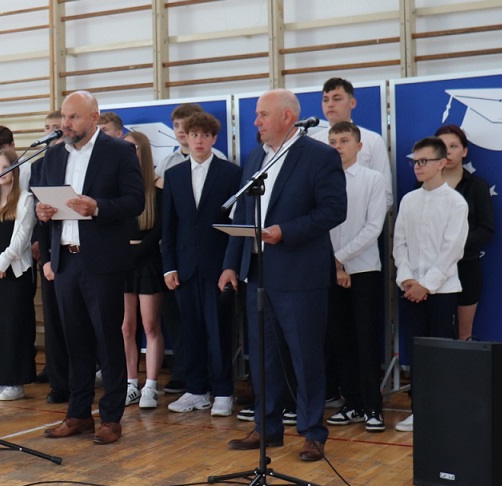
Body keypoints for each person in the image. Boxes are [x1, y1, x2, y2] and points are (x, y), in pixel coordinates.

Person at [218, 89, 347, 462]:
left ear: (288, 117)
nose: (255, 122)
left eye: (262, 114)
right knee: (263, 357)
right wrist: (230, 264)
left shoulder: (319, 156)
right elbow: (244, 214)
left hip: (300, 274)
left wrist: (285, 232)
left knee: (305, 357)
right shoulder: (256, 156)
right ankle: (267, 427)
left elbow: (333, 210)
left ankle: (313, 432)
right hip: (258, 272)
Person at [35, 90, 145, 445]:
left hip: (102, 262)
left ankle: (111, 417)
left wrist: (97, 207)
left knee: (107, 340)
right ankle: (79, 413)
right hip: (66, 259)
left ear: (94, 118)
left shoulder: (119, 151)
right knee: (75, 340)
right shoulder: (53, 155)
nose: (66, 124)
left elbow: (136, 201)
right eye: (64, 117)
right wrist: (42, 212)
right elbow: (44, 204)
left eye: (74, 117)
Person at [162, 111, 241, 417]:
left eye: (205, 136)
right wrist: (169, 266)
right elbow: (168, 226)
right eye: (194, 134)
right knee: (190, 331)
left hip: (217, 267)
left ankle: (223, 391)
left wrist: (230, 264)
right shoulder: (174, 175)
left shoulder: (230, 173)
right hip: (184, 268)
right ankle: (196, 390)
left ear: (214, 139)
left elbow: (236, 224)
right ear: (186, 136)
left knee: (219, 332)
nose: (198, 140)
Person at [393, 137, 468, 432]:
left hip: (441, 291)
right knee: (417, 354)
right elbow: (399, 243)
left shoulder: (455, 202)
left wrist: (426, 284)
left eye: (423, 161)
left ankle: (444, 412)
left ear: (441, 163)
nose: (417, 166)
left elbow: (453, 249)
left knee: (441, 353)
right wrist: (407, 279)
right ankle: (420, 410)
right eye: (414, 161)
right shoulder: (409, 200)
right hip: (411, 289)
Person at [323, 122, 388, 432]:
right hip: (331, 270)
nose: (338, 146)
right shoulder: (323, 180)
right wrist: (335, 266)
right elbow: (322, 225)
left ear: (359, 146)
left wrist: (341, 258)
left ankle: (373, 407)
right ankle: (352, 403)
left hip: (363, 270)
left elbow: (373, 227)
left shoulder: (372, 179)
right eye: (333, 141)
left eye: (344, 140)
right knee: (341, 339)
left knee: (365, 339)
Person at [0, 149, 37, 401]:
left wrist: (2, 263)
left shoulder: (25, 199)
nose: (0, 172)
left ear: (15, 171)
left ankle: (15, 382)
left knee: (14, 325)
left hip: (15, 273)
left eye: (6, 167)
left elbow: (22, 237)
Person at [119, 130, 166, 409]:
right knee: (127, 326)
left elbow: (160, 229)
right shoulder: (119, 187)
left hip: (147, 262)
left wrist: (136, 254)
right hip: (123, 262)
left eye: (132, 148)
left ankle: (150, 385)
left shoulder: (157, 187)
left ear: (143, 152)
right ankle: (130, 383)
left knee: (150, 324)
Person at [434, 124, 494, 341]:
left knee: (464, 336)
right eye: (442, 146)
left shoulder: (477, 186)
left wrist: (454, 244)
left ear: (464, 151)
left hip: (466, 266)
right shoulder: (425, 185)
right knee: (437, 334)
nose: (448, 152)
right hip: (432, 267)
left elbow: (486, 230)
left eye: (454, 146)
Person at [31, 110, 70, 404]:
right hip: (50, 251)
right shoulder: (39, 165)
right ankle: (59, 382)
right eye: (47, 128)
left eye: (56, 127)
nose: (51, 133)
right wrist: (43, 255)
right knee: (54, 321)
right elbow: (39, 213)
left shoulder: (76, 160)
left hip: (77, 249)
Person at [310, 77, 393, 208]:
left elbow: (385, 193)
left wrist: (367, 219)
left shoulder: (372, 140)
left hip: (364, 216)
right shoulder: (314, 142)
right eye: (325, 100)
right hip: (323, 217)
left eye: (337, 99)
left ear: (352, 103)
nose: (330, 104)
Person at [156, 103, 227, 178]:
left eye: (184, 125)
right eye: (176, 125)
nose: (180, 130)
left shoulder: (218, 157)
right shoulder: (166, 162)